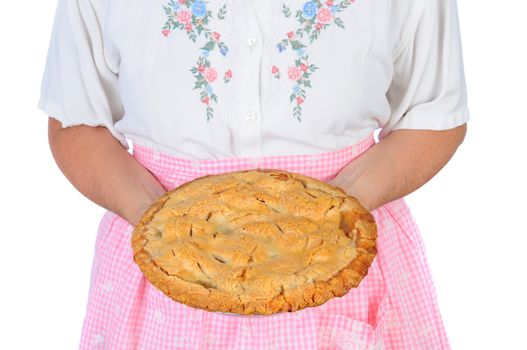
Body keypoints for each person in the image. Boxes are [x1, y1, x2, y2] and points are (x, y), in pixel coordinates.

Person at [37, 0, 470, 348]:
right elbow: (76, 122)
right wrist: (161, 225)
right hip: (159, 276)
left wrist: (332, 213)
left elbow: (434, 114)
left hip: (345, 252)